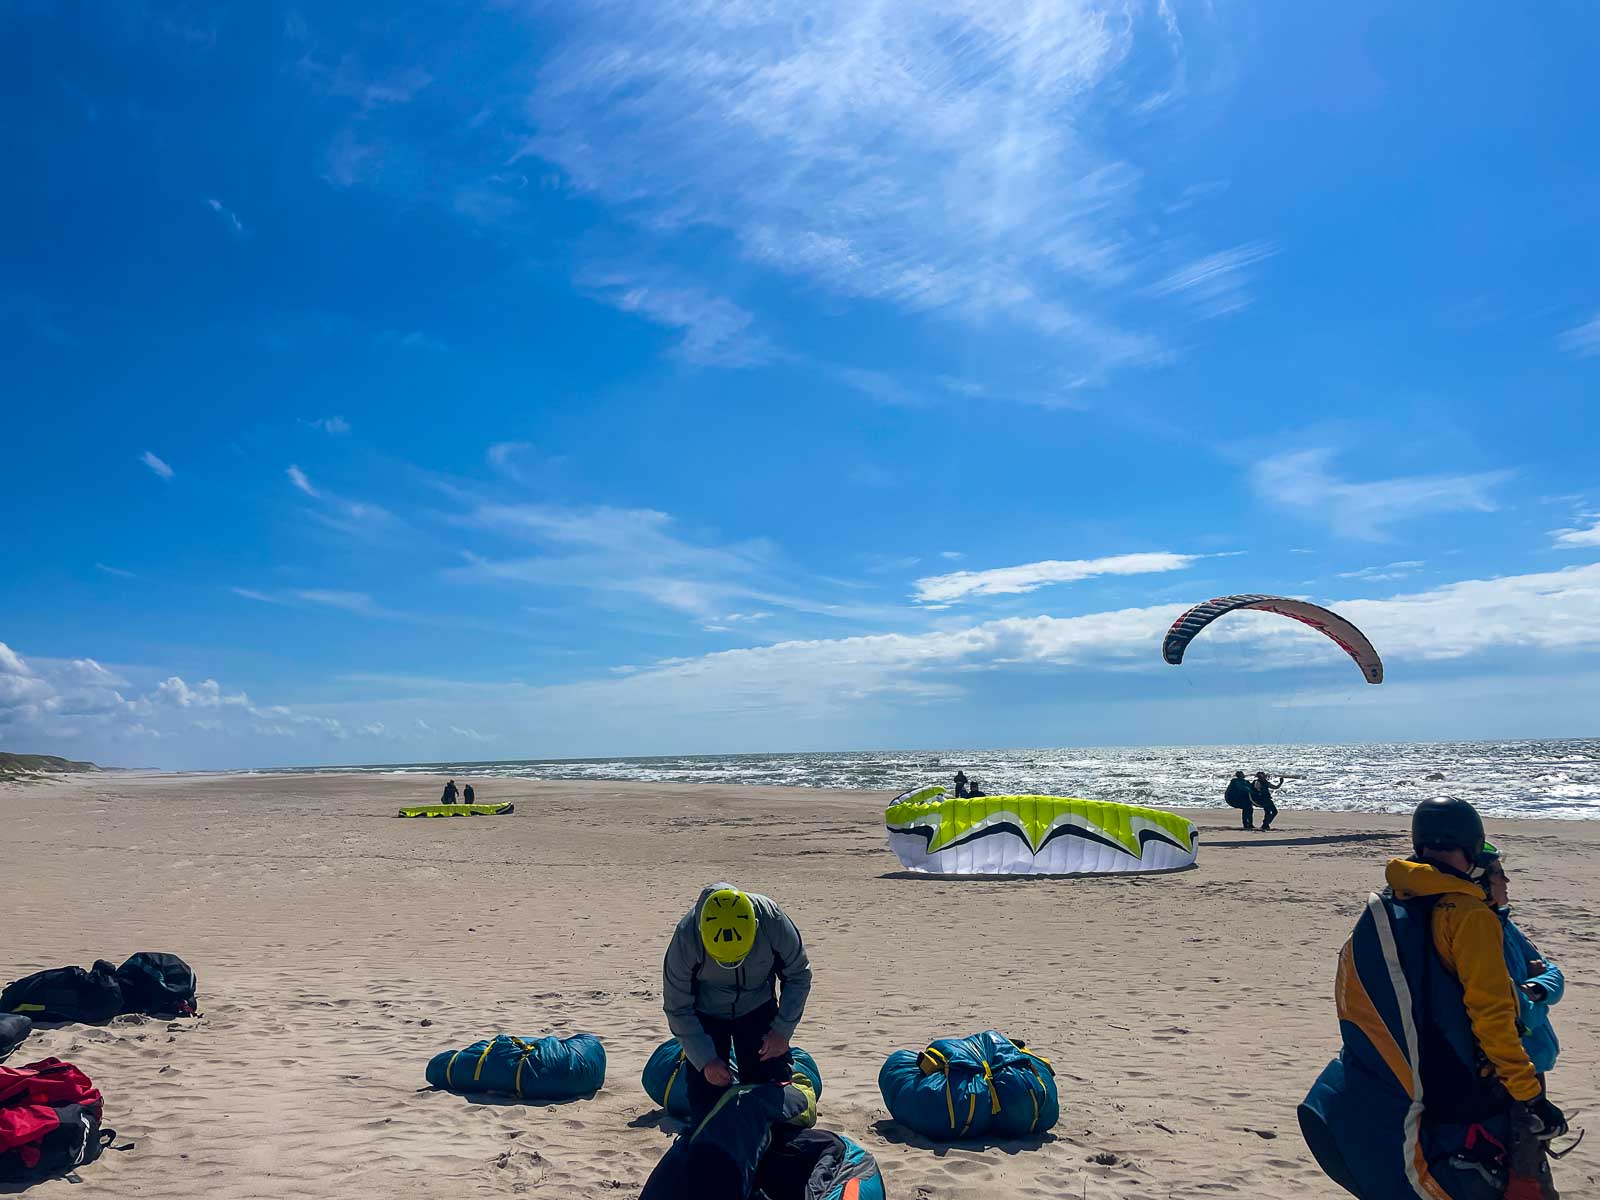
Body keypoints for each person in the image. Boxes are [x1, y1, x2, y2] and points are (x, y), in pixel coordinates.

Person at [1388, 798, 1567, 1195]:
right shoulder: (1468, 914)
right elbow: (1493, 1013)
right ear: (1471, 845)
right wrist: (1530, 1097)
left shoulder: (1402, 900)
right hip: (1484, 1079)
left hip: (1429, 1069)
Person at [662, 883, 813, 1124]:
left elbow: (799, 974)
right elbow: (677, 1008)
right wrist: (705, 1059)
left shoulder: (771, 919)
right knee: (707, 1103)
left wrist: (782, 1031)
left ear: (755, 926)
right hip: (707, 1014)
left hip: (758, 1006)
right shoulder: (686, 937)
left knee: (771, 1092)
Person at [1481, 844, 1564, 1078]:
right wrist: (1537, 1000)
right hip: (1509, 1069)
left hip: (1533, 1062)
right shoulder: (1479, 933)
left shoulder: (1505, 923)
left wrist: (1534, 988)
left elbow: (1555, 975)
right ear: (1480, 882)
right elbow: (1522, 1016)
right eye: (1498, 873)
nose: (1506, 880)